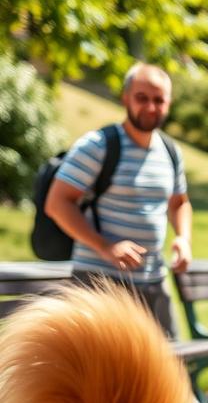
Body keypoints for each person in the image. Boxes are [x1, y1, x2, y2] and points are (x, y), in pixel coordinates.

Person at [45, 62, 191, 339]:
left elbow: (179, 202)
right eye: (142, 98)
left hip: (153, 281)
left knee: (171, 361)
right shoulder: (98, 146)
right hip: (100, 283)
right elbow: (57, 203)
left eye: (159, 100)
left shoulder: (170, 151)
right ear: (125, 98)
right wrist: (106, 247)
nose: (151, 107)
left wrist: (183, 238)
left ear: (169, 103)